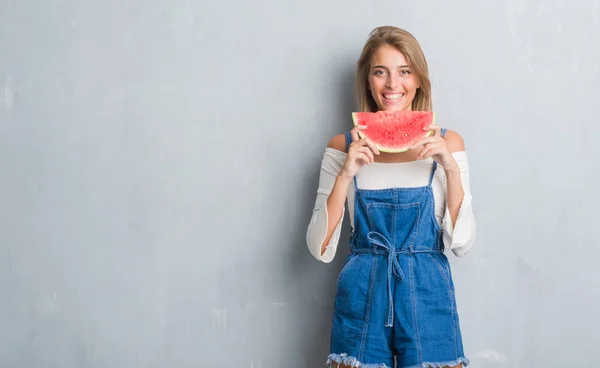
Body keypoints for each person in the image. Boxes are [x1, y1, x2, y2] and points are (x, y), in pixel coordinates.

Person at [306, 26, 476, 368]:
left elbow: (462, 244)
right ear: (368, 80)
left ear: (418, 80)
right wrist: (345, 174)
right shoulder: (342, 146)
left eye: (404, 71)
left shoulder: (448, 143)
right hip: (364, 289)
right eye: (380, 72)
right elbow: (318, 247)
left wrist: (451, 170)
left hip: (428, 290)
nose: (392, 84)